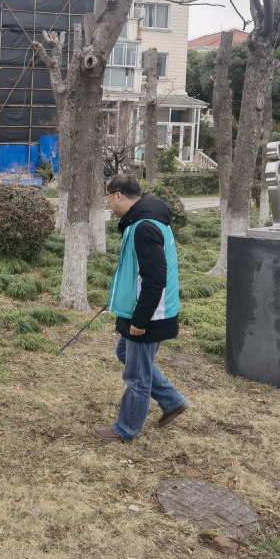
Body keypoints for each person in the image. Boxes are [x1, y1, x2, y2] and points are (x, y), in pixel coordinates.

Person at [95, 174, 189, 443]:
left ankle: (125, 429)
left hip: (149, 313)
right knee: (125, 352)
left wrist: (141, 319)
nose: (107, 202)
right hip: (143, 309)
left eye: (107, 196)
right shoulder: (140, 221)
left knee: (137, 375)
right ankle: (172, 401)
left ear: (118, 196)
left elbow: (154, 279)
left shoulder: (144, 227)